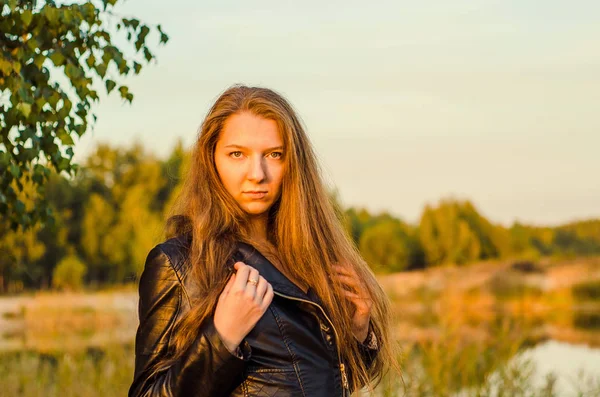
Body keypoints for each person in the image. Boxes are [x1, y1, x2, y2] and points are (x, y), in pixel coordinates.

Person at [128, 85, 400, 397]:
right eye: (237, 154)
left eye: (273, 154)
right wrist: (221, 339)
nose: (257, 173)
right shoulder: (179, 263)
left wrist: (358, 332)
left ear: (293, 164)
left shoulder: (309, 259)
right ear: (211, 159)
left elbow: (315, 382)